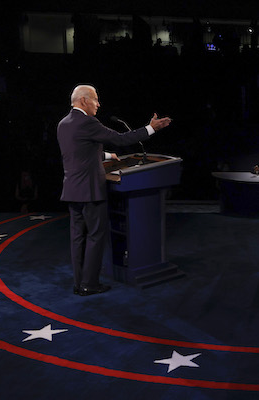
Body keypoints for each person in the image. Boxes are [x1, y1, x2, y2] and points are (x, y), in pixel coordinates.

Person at [57, 85, 171, 296]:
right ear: (83, 101)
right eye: (96, 100)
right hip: (90, 191)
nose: (98, 104)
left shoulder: (63, 124)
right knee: (94, 236)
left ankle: (78, 282)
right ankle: (89, 284)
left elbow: (78, 153)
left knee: (77, 238)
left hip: (72, 190)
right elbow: (120, 139)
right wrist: (151, 128)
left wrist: (108, 156)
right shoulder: (88, 122)